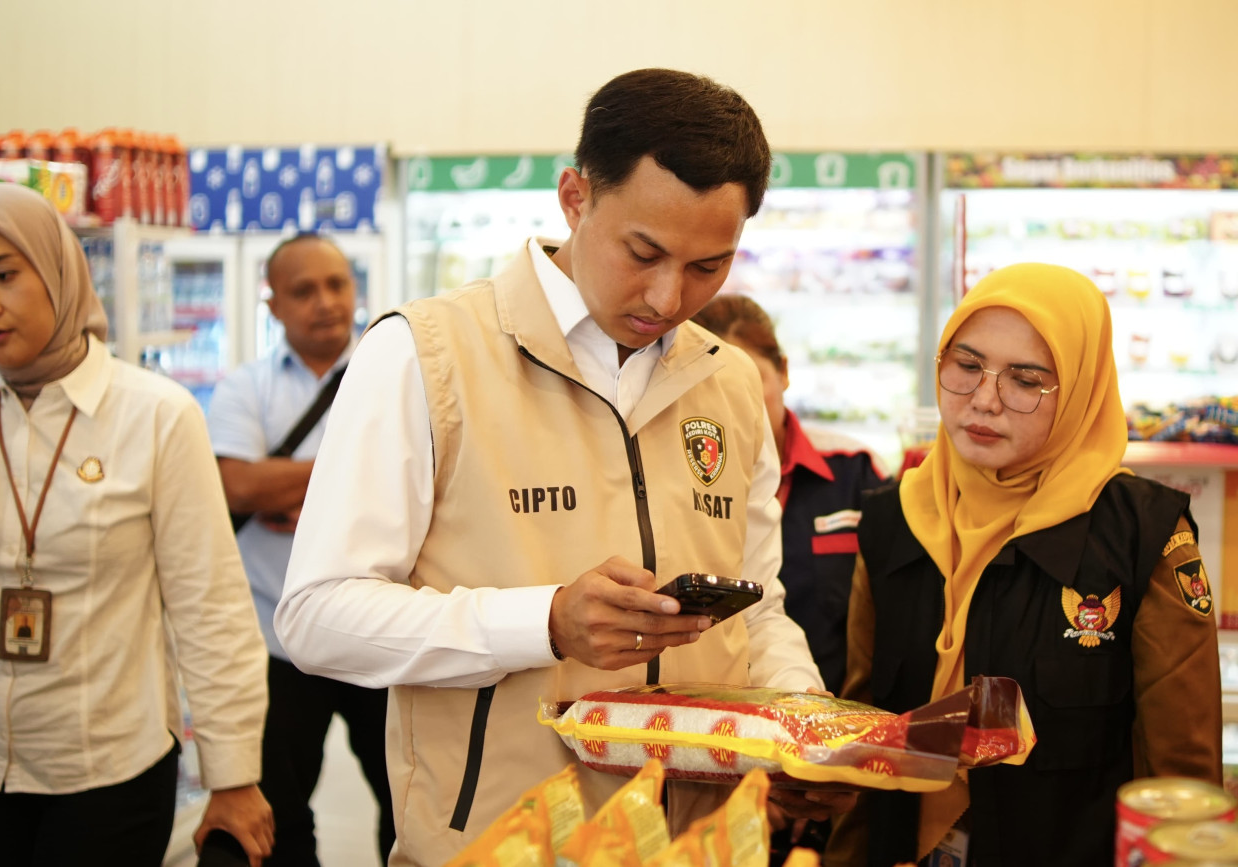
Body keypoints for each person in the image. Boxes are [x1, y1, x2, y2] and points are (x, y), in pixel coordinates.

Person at [274, 68, 849, 865]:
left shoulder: (731, 382)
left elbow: (754, 607)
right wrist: (543, 621)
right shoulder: (427, 354)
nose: (666, 295)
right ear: (575, 196)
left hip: (702, 842)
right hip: (502, 842)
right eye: (642, 251)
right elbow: (319, 616)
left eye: (708, 266)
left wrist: (806, 726)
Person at [823, 263, 1222, 867]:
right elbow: (861, 724)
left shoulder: (1142, 533)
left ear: (1081, 389)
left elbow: (1181, 765)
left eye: (1026, 379)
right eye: (966, 366)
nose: (984, 400)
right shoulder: (895, 518)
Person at [0, 183, 273, 867]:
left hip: (110, 772)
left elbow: (210, 606)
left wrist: (234, 774)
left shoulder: (157, 414)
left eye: (4, 275)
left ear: (61, 272)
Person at [207, 233, 393, 865]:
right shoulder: (245, 388)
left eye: (337, 285)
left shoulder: (395, 376)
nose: (325, 302)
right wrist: (351, 480)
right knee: (279, 821)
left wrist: (289, 488)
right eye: (303, 290)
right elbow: (237, 485)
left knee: (409, 807)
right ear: (274, 305)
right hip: (276, 643)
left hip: (380, 638)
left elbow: (416, 483)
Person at [691, 293, 888, 861]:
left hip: (832, 754)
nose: (742, 405)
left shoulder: (855, 473)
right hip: (723, 763)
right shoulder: (690, 485)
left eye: (755, 383)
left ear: (784, 373)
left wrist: (821, 749)